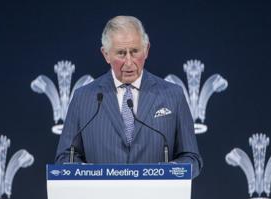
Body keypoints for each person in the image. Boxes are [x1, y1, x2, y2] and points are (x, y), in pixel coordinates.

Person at [55, 15, 203, 179]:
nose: (129, 62)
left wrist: (170, 172)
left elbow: (192, 158)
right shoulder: (83, 98)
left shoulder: (172, 95)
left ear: (146, 50)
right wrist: (89, 174)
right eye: (120, 53)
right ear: (106, 54)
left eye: (134, 52)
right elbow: (64, 158)